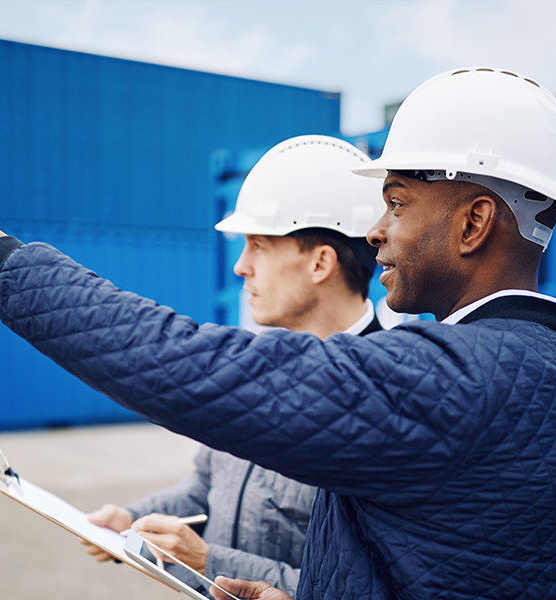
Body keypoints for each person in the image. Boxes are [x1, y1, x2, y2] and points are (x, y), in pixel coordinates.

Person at [0, 67, 556, 600]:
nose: (379, 232)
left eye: (396, 202)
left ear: (475, 221)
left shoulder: (457, 378)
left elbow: (189, 364)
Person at [78, 135, 384, 599]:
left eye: (258, 246)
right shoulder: (253, 368)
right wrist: (132, 518)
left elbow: (366, 589)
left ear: (321, 262)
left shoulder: (388, 401)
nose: (240, 267)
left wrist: (209, 562)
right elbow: (207, 486)